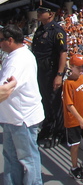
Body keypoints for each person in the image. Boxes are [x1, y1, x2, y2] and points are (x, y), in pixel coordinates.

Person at [0, 24, 45, 185]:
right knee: (12, 157)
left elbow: (4, 90)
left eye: (1, 40)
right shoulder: (22, 54)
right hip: (13, 118)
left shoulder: (17, 61)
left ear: (10, 40)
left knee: (28, 159)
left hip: (21, 118)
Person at [31, 0, 68, 148]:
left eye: (42, 11)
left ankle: (59, 133)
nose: (39, 13)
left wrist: (59, 75)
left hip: (51, 72)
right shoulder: (41, 29)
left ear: (51, 14)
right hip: (41, 71)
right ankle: (47, 128)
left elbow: (63, 53)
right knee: (45, 101)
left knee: (55, 102)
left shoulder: (56, 31)